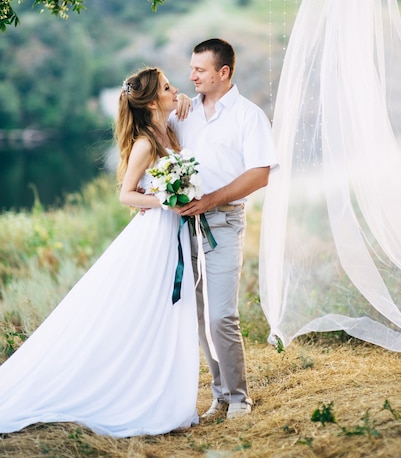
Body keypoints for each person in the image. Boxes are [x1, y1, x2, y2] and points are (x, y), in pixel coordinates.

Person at [0, 67, 199, 437]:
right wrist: (166, 198)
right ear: (153, 100)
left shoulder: (168, 129)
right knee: (145, 308)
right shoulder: (144, 143)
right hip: (154, 234)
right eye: (170, 88)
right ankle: (131, 391)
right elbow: (126, 194)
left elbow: (188, 111)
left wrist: (185, 100)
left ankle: (162, 389)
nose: (177, 91)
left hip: (172, 230)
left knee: (170, 309)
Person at [171, 38, 278, 419]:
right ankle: (220, 394)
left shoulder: (249, 116)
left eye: (199, 70)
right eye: (192, 68)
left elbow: (260, 174)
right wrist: (172, 101)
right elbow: (150, 131)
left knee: (221, 316)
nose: (192, 75)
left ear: (224, 72)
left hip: (224, 222)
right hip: (184, 226)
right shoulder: (183, 114)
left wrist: (212, 199)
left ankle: (240, 396)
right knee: (199, 316)